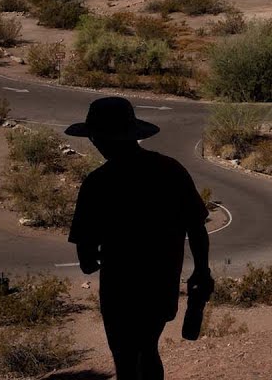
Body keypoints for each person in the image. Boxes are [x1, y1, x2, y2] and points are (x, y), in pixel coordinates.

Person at [67, 97, 212, 380]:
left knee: (125, 357)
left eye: (95, 137)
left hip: (120, 287)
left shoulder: (98, 183)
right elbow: (197, 228)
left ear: (98, 137)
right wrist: (201, 270)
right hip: (161, 282)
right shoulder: (170, 170)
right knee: (148, 348)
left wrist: (97, 257)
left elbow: (86, 257)